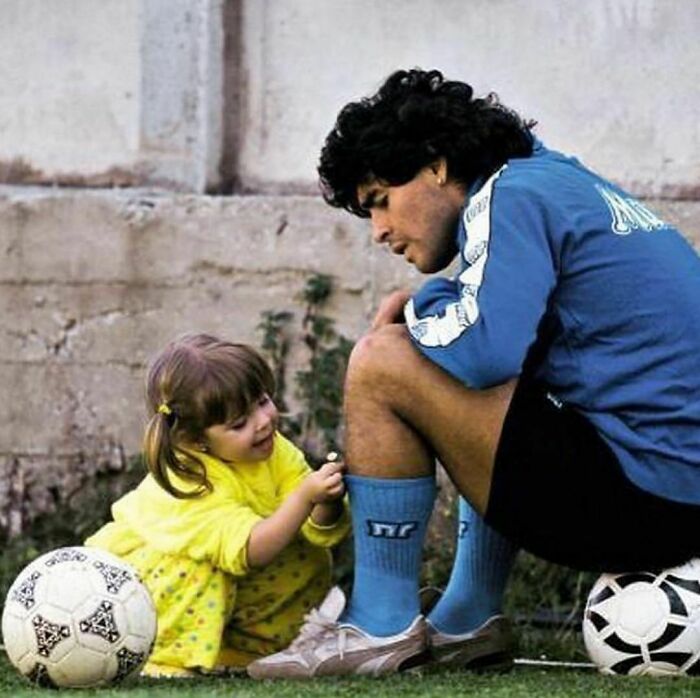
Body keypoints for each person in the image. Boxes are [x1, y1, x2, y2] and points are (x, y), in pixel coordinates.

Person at [246, 68, 700, 679]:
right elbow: (510, 350)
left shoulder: (507, 196)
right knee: (488, 370)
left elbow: (482, 351)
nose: (378, 231)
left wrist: (413, 313)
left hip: (649, 495)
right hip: (671, 489)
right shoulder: (558, 181)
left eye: (381, 201)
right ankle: (467, 618)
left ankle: (378, 626)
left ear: (436, 165)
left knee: (382, 363)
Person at [85, 333, 350, 677]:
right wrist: (303, 497)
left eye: (263, 400)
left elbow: (314, 528)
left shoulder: (272, 450)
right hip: (146, 590)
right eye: (239, 423)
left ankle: (247, 647)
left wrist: (324, 502)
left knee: (302, 549)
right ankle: (164, 655)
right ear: (194, 440)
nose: (264, 420)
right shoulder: (189, 481)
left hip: (236, 576)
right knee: (196, 567)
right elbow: (249, 550)